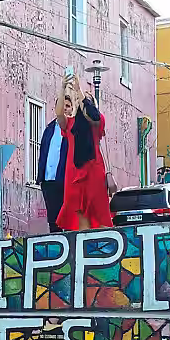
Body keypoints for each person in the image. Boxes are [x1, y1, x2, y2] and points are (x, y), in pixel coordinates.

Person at [55, 74, 114, 232]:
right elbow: (60, 114)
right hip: (74, 174)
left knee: (99, 213)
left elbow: (90, 113)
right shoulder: (71, 124)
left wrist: (80, 92)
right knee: (79, 216)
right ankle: (84, 252)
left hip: (94, 170)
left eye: (85, 100)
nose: (81, 102)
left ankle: (102, 246)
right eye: (79, 101)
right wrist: (63, 87)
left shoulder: (97, 121)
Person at [36, 102, 69, 233]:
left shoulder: (71, 128)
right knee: (53, 220)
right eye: (63, 105)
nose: (65, 108)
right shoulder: (49, 128)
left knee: (65, 218)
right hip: (48, 179)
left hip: (64, 179)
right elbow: (43, 152)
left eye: (68, 106)